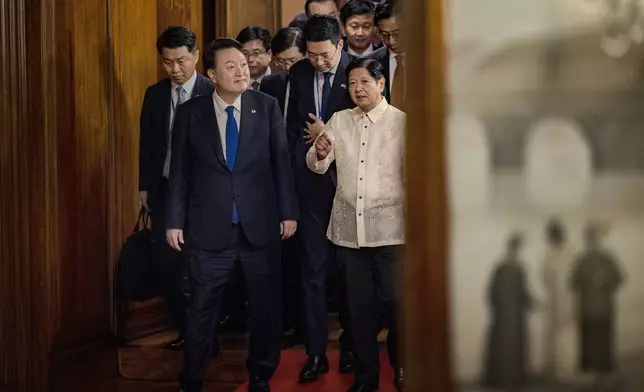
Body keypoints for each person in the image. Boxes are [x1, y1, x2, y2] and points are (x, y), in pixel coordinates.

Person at [166, 38, 299, 392]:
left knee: (266, 309)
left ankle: (260, 375)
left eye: (243, 63)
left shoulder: (266, 106)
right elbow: (179, 171)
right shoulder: (190, 114)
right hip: (209, 230)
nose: (241, 70)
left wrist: (289, 212)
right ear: (212, 74)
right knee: (201, 311)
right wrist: (174, 221)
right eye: (231, 66)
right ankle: (191, 379)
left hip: (260, 227)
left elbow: (280, 164)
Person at [307, 57, 407, 392]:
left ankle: (403, 371)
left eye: (364, 82)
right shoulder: (339, 120)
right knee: (358, 312)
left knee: (396, 308)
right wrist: (319, 151)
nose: (357, 89)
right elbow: (318, 165)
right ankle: (366, 379)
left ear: (381, 84)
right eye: (351, 84)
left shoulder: (401, 123)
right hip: (349, 234)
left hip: (392, 233)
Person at [286, 14, 356, 383]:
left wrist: (326, 135)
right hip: (310, 189)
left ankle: (350, 348)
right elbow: (290, 129)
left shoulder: (356, 72)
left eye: (324, 55)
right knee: (311, 274)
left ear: (339, 46)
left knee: (347, 275)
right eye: (312, 55)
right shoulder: (296, 75)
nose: (318, 62)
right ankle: (315, 354)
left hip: (347, 186)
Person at [138, 26, 213, 351]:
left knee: (200, 269)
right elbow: (147, 144)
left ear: (196, 56)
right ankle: (186, 329)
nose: (175, 68)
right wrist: (144, 187)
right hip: (165, 190)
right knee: (169, 266)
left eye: (181, 60)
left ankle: (205, 335)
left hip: (203, 194)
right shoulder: (155, 94)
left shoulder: (212, 91)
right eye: (168, 62)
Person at [570, 224, 624, 388]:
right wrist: (606, 283)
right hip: (604, 310)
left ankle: (592, 376)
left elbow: (573, 284)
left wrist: (590, 285)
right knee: (603, 342)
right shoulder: (607, 259)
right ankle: (603, 375)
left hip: (588, 310)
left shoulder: (582, 260)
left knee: (590, 344)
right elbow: (619, 279)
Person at [483, 234, 533, 389]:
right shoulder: (518, 269)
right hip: (515, 317)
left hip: (502, 317)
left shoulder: (499, 268)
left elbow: (491, 293)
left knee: (501, 348)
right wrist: (532, 304)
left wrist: (497, 311)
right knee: (513, 349)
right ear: (517, 249)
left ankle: (500, 381)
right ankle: (513, 381)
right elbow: (524, 294)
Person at [366, 0, 405, 107]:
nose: (391, 41)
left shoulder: (427, 60)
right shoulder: (370, 63)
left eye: (397, 34)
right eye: (385, 35)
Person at [261, 27, 306, 116]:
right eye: (281, 61)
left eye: (292, 60)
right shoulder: (270, 83)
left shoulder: (316, 83)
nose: (287, 67)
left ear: (305, 55)